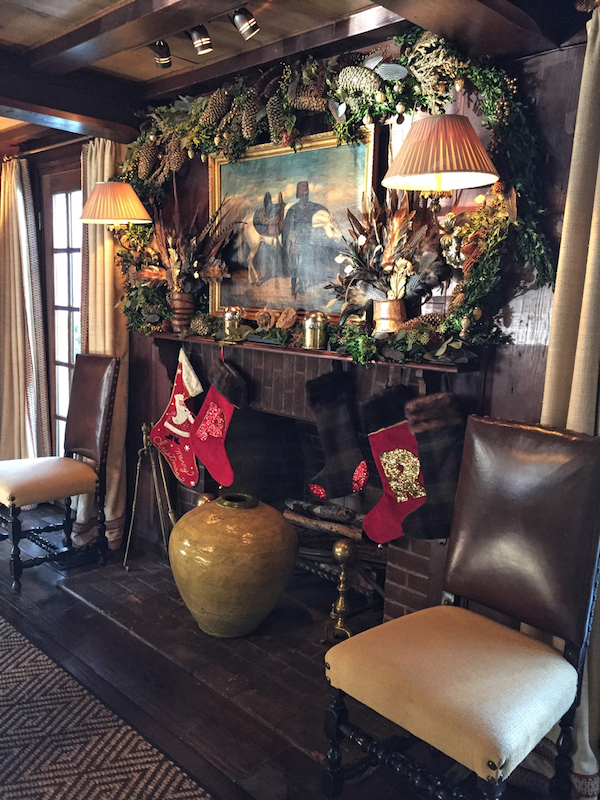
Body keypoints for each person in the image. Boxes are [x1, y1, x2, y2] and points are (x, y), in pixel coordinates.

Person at [282, 181, 328, 297]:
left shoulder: (314, 208)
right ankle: (293, 287)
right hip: (295, 243)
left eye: (306, 191)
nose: (304, 194)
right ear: (298, 193)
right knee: (294, 266)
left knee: (304, 265)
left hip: (307, 243)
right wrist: (288, 242)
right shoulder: (292, 210)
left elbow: (323, 213)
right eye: (302, 191)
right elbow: (287, 229)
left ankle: (302, 286)